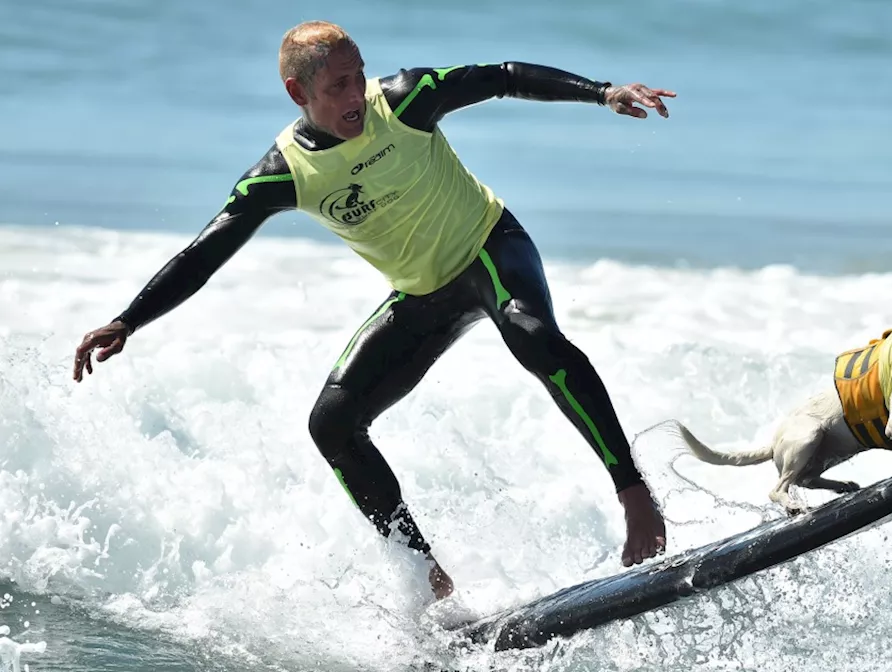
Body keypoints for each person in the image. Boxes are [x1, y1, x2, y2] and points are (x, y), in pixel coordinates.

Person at [71, 20, 676, 602]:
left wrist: (602, 93)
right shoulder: (286, 173)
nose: (355, 93)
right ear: (297, 92)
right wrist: (129, 320)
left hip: (490, 248)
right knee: (331, 423)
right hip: (421, 295)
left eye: (357, 75)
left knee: (531, 335)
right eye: (337, 86)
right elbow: (204, 254)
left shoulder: (406, 100)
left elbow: (504, 75)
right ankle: (428, 578)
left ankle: (633, 495)